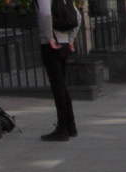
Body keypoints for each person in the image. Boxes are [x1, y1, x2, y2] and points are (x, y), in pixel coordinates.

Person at [37, 0, 80, 141]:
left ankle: (62, 128)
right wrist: (71, 39)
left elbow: (45, 13)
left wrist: (49, 38)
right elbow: (77, 16)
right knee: (62, 85)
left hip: (51, 45)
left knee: (57, 87)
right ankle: (70, 126)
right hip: (65, 43)